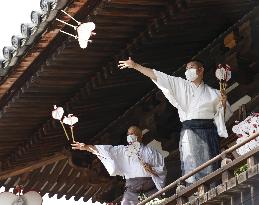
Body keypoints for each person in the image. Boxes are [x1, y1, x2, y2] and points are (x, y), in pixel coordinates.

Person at [118, 58, 232, 185]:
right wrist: (135, 66)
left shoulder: (215, 93)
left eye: (191, 67)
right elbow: (158, 76)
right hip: (189, 133)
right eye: (187, 69)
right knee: (192, 167)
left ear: (200, 70)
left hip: (208, 132)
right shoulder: (181, 85)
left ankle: (214, 185)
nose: (188, 71)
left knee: (211, 164)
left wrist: (223, 104)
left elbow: (221, 118)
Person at [71, 125, 167, 205]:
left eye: (132, 134)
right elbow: (106, 151)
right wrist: (86, 147)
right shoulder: (123, 151)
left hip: (149, 187)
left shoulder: (152, 153)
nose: (130, 136)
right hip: (132, 189)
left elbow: (161, 170)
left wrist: (152, 170)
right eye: (128, 134)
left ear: (140, 135)